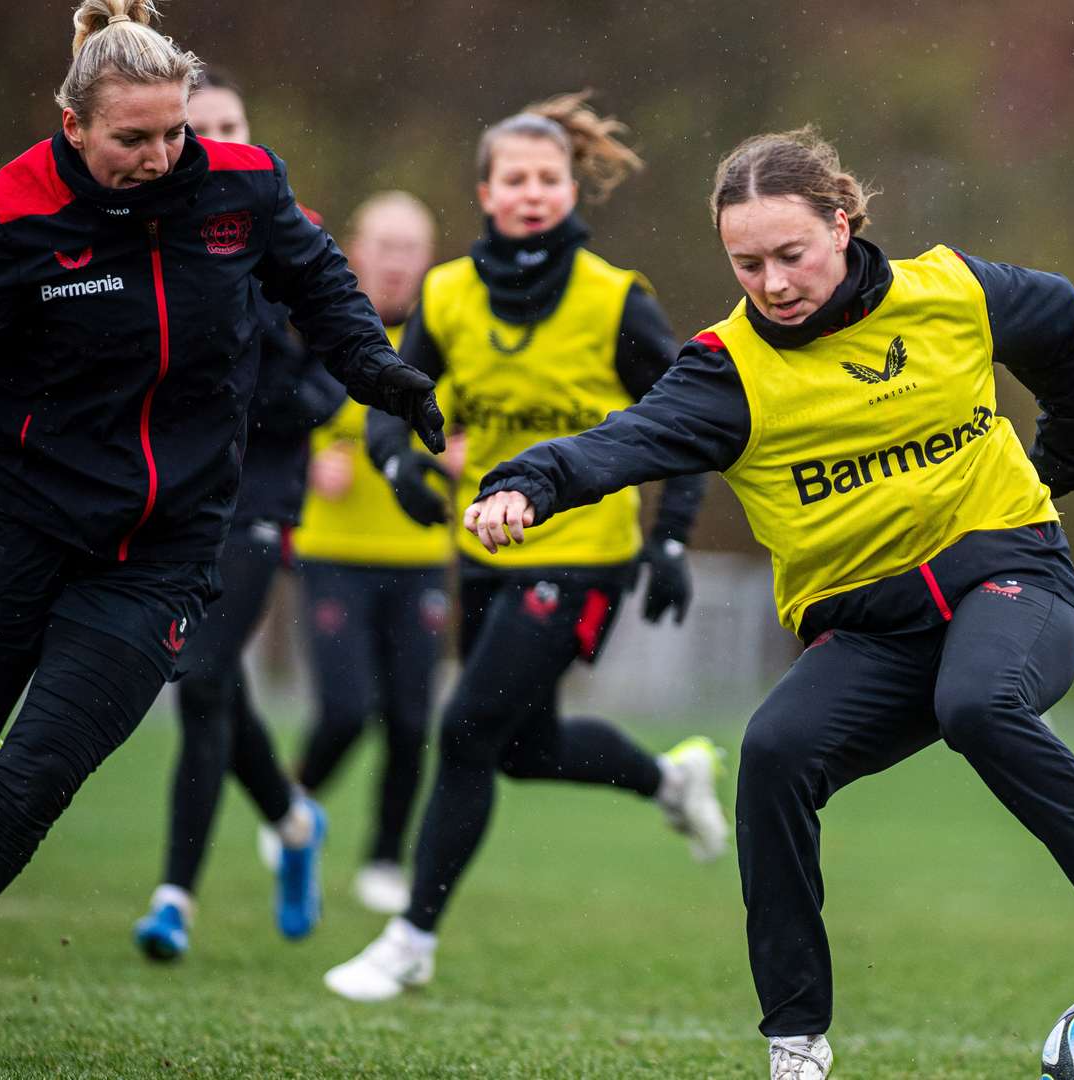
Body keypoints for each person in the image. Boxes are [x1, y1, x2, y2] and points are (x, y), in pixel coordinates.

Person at [0, 1, 441, 1065]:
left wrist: (385, 377)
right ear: (72, 125)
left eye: (173, 133)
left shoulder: (241, 187)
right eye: (130, 139)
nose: (157, 157)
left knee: (38, 774)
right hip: (14, 526)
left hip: (164, 553)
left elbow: (324, 292)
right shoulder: (13, 213)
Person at [459, 127, 1074, 1079]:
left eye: (791, 254)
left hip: (1011, 583)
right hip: (873, 632)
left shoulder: (948, 293)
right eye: (746, 264)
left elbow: (1059, 315)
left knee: (978, 703)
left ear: (843, 224)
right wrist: (528, 481)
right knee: (773, 756)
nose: (771, 283)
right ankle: (796, 1045)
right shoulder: (727, 373)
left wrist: (1071, 456)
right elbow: (622, 440)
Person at [322, 93, 729, 1003]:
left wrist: (668, 541)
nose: (534, 193)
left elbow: (691, 419)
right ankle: (669, 778)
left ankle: (410, 940)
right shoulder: (447, 293)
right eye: (516, 179)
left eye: (549, 178)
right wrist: (400, 466)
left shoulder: (614, 296)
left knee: (463, 729)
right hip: (482, 554)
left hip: (583, 554)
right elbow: (394, 400)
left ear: (571, 186)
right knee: (519, 747)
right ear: (485, 192)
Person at [130, 66, 343, 962]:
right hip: (172, 491)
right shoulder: (144, 236)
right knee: (211, 680)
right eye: (193, 128)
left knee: (204, 674)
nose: (207, 142)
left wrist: (271, 400)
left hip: (260, 496)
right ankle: (294, 822)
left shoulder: (290, 234)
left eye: (226, 124)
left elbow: (336, 358)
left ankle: (173, 898)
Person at [273, 190, 452, 916]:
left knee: (412, 720)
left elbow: (472, 424)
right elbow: (273, 411)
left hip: (418, 552)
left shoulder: (444, 335)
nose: (398, 262)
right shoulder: (319, 326)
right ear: (356, 250)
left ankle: (384, 857)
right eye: (386, 244)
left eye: (412, 248)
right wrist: (310, 460)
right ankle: (293, 803)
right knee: (347, 707)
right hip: (333, 552)